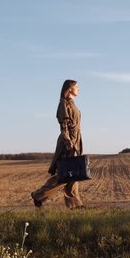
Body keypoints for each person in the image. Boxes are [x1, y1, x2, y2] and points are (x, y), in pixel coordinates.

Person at [31, 79, 85, 209]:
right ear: (70, 88)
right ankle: (38, 195)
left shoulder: (72, 103)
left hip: (76, 139)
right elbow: (64, 126)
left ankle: (75, 206)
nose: (79, 89)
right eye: (76, 86)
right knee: (65, 174)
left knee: (73, 173)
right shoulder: (63, 103)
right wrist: (68, 142)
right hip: (69, 141)